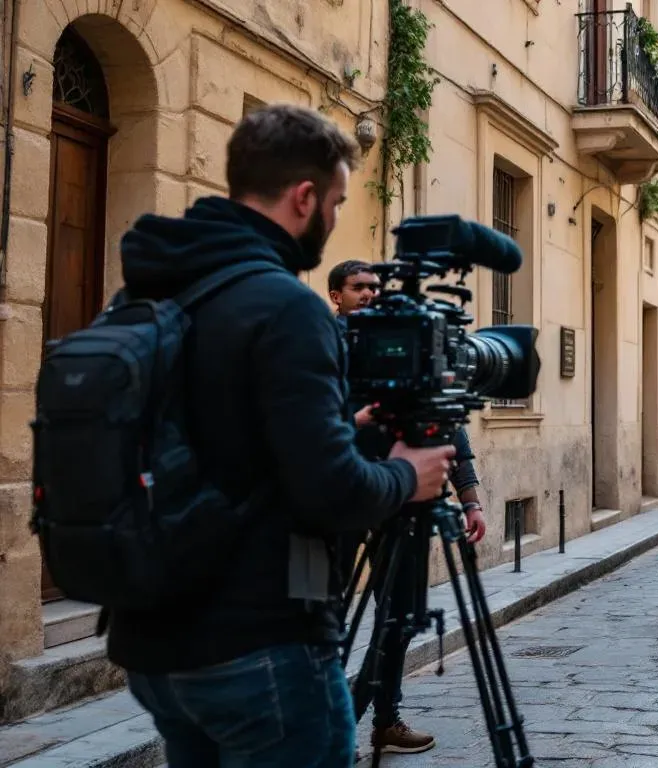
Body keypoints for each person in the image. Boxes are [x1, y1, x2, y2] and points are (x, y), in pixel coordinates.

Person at [110, 104, 456, 766]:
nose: (332, 220)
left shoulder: (150, 293)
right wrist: (409, 474)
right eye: (334, 203)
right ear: (304, 198)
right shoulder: (286, 306)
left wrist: (344, 429)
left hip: (153, 649)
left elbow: (223, 441)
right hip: (258, 646)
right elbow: (331, 492)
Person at [327, 261, 487, 755]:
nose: (370, 294)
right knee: (326, 615)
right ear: (336, 295)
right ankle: (331, 723)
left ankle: (385, 719)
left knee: (398, 616)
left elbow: (446, 421)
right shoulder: (325, 342)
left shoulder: (412, 338)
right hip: (344, 497)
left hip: (408, 501)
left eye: (375, 286)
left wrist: (470, 496)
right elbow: (313, 422)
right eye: (358, 287)